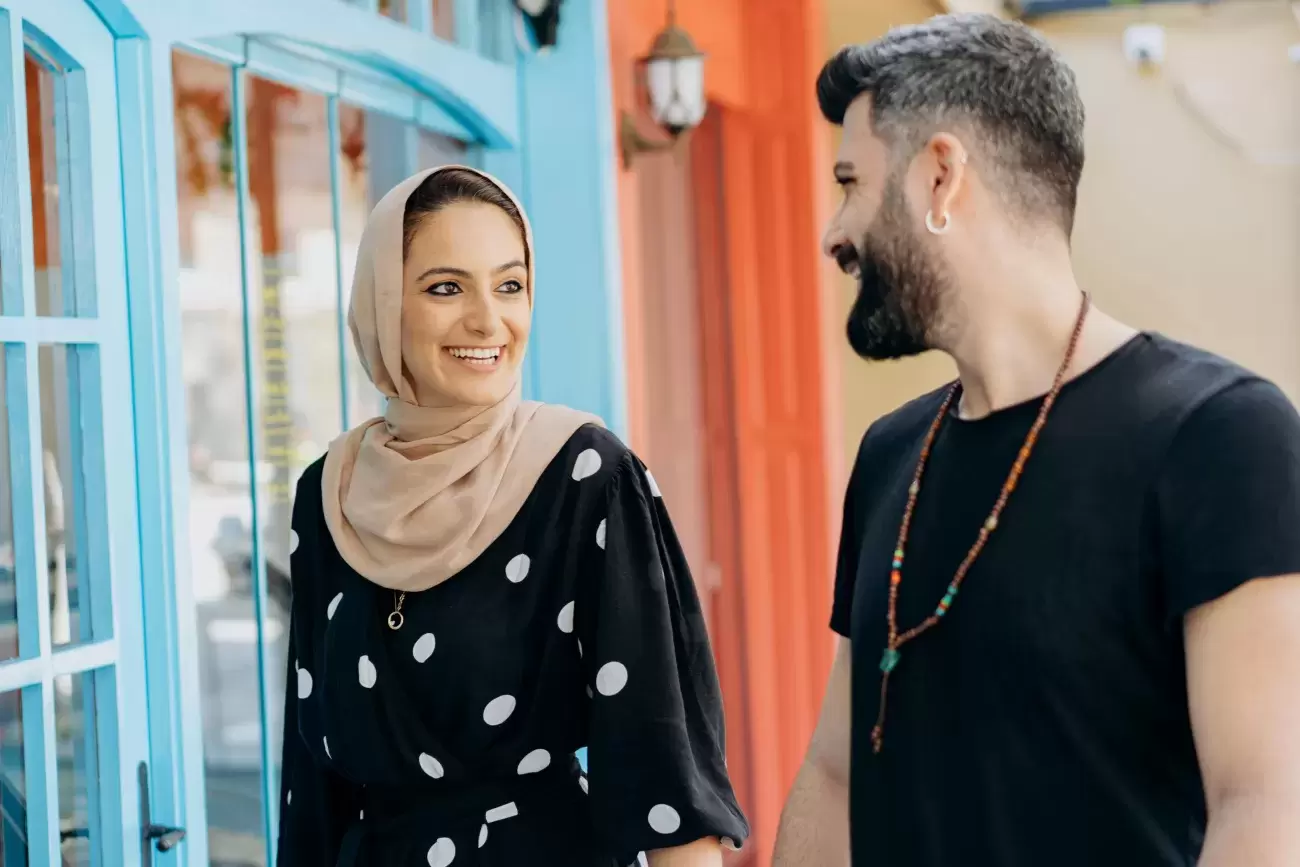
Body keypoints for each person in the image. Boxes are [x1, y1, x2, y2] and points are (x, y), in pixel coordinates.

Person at [774, 14, 1300, 867]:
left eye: (850, 182)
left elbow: (1268, 808)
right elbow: (837, 774)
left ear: (942, 177)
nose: (834, 233)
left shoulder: (1219, 436)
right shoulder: (887, 457)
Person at [276, 165, 748, 866]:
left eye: (509, 285)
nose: (487, 320)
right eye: (445, 288)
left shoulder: (586, 476)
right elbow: (312, 790)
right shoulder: (327, 496)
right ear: (382, 305)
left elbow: (665, 779)